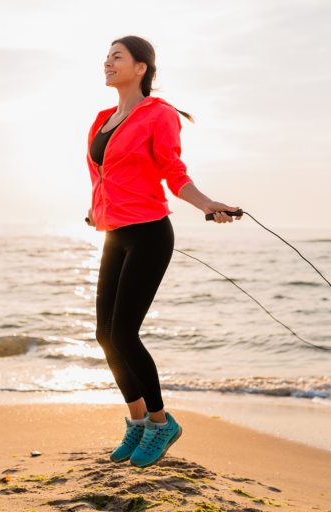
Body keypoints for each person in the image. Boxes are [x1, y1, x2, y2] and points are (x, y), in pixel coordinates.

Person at [85, 35, 241, 468]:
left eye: (117, 57)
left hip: (150, 232)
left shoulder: (159, 114)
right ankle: (137, 425)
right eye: (106, 57)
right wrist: (95, 212)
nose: (107, 63)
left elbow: (172, 170)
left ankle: (161, 423)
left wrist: (207, 204)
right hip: (115, 232)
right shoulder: (101, 119)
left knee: (123, 334)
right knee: (104, 334)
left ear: (141, 68)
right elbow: (104, 177)